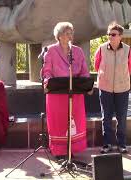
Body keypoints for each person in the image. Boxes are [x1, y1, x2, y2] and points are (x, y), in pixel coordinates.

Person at [41, 22, 90, 158]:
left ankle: (71, 149)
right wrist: (48, 82)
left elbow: (84, 71)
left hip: (75, 93)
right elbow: (47, 71)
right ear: (59, 36)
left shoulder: (78, 51)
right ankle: (59, 151)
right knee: (59, 122)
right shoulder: (50, 50)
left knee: (75, 121)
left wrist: (86, 84)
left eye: (71, 33)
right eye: (67, 33)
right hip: (56, 93)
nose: (70, 36)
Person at [94, 22, 131, 154]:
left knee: (122, 117)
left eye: (113, 34)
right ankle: (107, 144)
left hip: (122, 88)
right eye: (109, 34)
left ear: (120, 36)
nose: (110, 36)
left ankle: (122, 144)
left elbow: (130, 68)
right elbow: (96, 65)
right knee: (106, 117)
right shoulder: (101, 49)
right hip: (105, 88)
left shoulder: (128, 50)